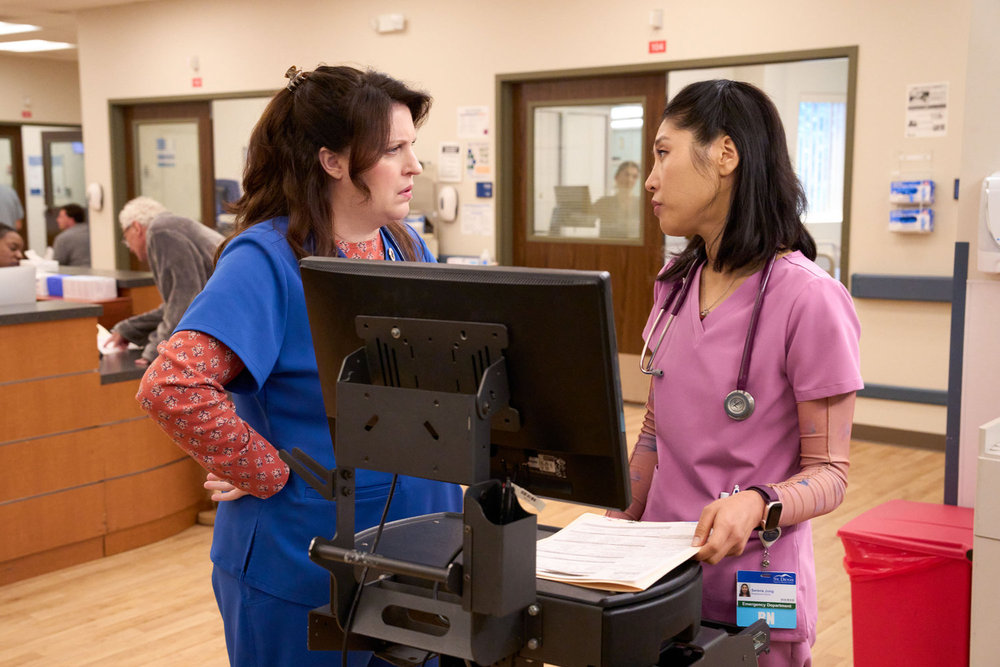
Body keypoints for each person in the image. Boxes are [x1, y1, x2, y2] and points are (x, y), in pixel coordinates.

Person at [134, 65, 463, 667]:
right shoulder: (268, 258)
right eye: (394, 149)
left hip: (423, 548)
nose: (415, 165)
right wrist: (262, 467)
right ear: (333, 161)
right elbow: (173, 384)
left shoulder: (407, 246)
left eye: (411, 146)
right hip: (306, 558)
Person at [608, 80, 862, 667]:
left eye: (664, 153)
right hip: (660, 577)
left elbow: (829, 474)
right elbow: (655, 430)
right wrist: (615, 524)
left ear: (725, 155)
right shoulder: (673, 286)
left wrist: (758, 502)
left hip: (757, 588)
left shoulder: (810, 300)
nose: (650, 177)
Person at [106, 196, 223, 366]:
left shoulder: (160, 232)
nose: (129, 247)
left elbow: (183, 302)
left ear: (136, 227)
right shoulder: (174, 226)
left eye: (125, 237)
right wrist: (128, 329)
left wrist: (154, 351)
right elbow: (177, 303)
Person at [593, 160, 641, 239]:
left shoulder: (641, 204)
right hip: (608, 247)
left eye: (634, 176)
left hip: (635, 249)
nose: (630, 180)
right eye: (627, 175)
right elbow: (584, 219)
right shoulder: (604, 203)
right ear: (616, 177)